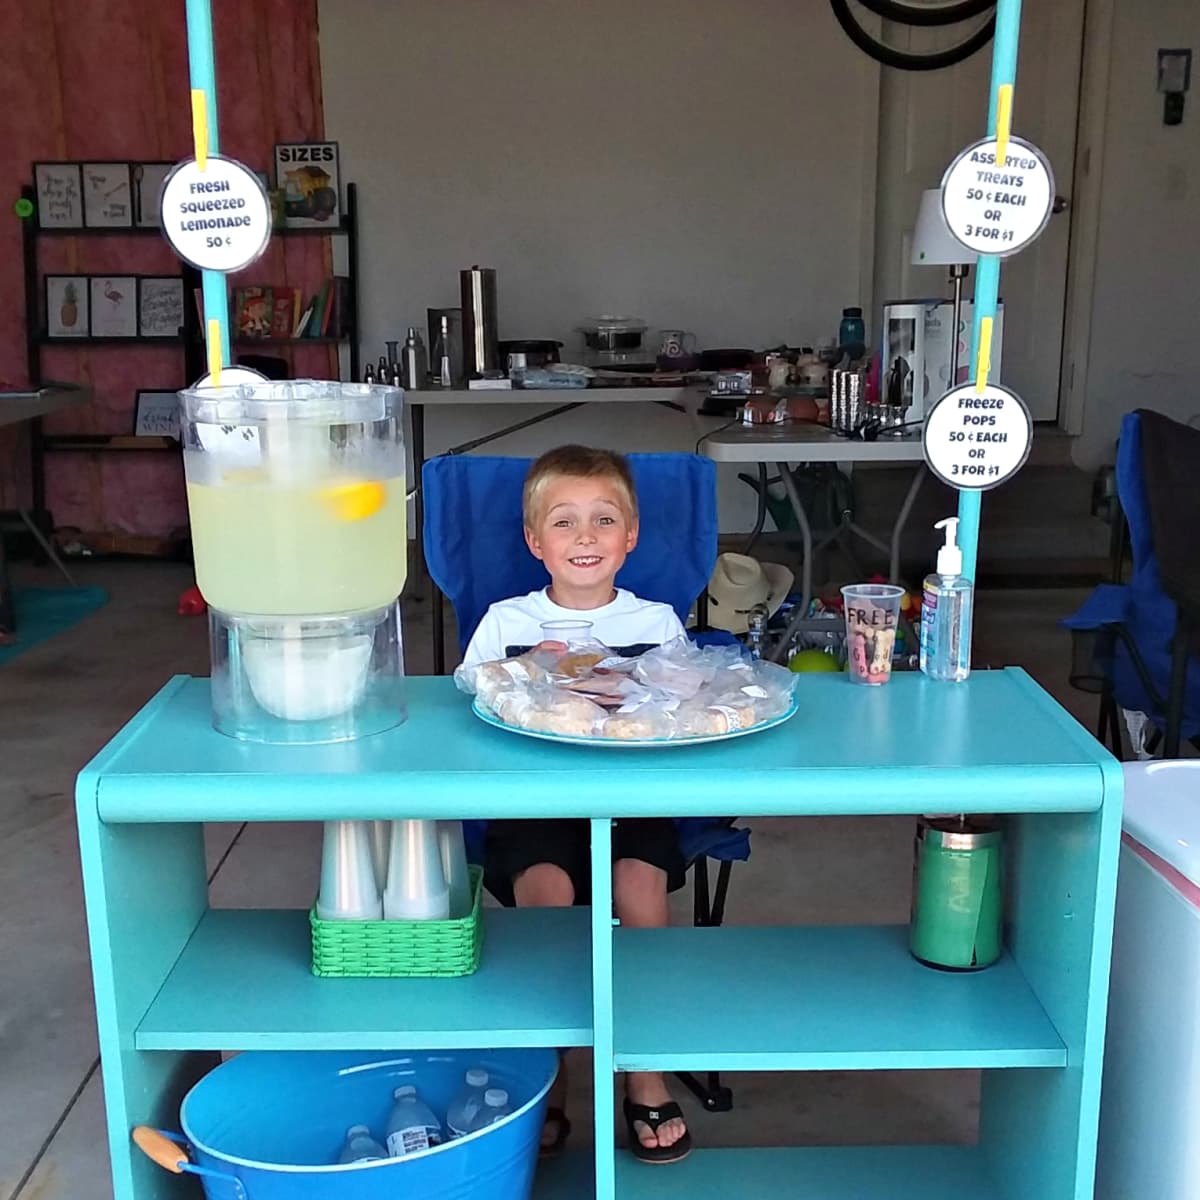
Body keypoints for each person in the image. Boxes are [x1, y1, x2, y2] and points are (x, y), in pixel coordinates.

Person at [461, 445, 693, 1164]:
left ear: (631, 535)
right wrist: (533, 666)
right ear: (536, 542)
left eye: (603, 520)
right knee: (548, 903)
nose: (585, 537)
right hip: (537, 796)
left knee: (639, 891)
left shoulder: (655, 619)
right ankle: (551, 1083)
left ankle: (643, 1074)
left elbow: (686, 701)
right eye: (564, 522)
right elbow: (472, 690)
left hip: (634, 794)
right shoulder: (508, 619)